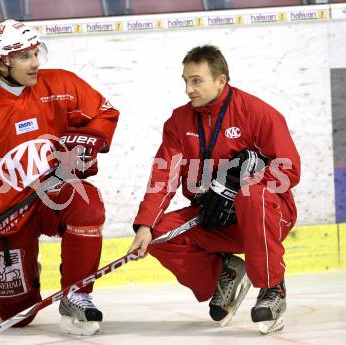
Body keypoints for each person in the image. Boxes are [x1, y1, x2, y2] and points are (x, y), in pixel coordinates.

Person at [0, 19, 119, 336]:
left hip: (52, 194)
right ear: (2, 61)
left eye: (36, 53)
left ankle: (77, 293)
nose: (35, 63)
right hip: (4, 216)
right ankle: (27, 273)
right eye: (25, 56)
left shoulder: (60, 85)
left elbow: (104, 113)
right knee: (19, 316)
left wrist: (90, 141)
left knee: (87, 203)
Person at [128, 45, 300, 334]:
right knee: (158, 235)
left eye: (196, 80)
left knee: (251, 196)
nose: (188, 89)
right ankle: (226, 272)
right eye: (185, 80)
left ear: (221, 80)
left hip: (266, 216)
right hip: (214, 218)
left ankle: (272, 288)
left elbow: (289, 168)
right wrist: (144, 225)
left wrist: (239, 185)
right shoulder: (179, 122)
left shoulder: (258, 113)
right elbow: (163, 175)